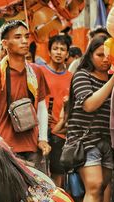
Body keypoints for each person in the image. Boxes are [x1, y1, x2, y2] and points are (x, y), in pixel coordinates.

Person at [65, 35, 114, 202]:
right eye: (99, 55)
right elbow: (89, 105)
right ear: (90, 55)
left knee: (99, 188)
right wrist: (113, 80)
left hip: (107, 141)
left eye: (109, 56)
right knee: (94, 187)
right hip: (85, 140)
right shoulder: (82, 75)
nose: (105, 60)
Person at [0, 20, 51, 173]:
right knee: (6, 197)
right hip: (4, 150)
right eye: (18, 37)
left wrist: (43, 138)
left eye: (26, 36)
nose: (24, 41)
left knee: (39, 196)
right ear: (5, 43)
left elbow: (42, 107)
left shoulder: (37, 71)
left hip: (33, 148)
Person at [39, 35, 72, 187]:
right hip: (40, 130)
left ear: (67, 53)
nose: (59, 52)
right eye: (55, 49)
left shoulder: (71, 78)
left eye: (62, 49)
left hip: (60, 132)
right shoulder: (39, 72)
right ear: (49, 51)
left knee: (58, 172)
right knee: (39, 172)